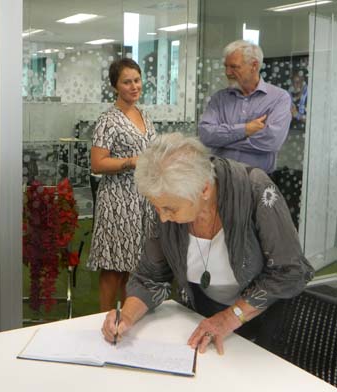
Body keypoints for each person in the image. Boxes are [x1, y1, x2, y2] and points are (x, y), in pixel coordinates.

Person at [101, 132, 313, 355]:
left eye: (170, 209)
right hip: (203, 324)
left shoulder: (255, 190)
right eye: (157, 208)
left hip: (265, 331)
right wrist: (126, 315)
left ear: (204, 189)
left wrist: (231, 317)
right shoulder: (169, 199)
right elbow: (150, 277)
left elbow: (290, 271)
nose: (162, 218)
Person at [87, 58, 156, 311]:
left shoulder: (144, 115)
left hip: (142, 199)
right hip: (117, 200)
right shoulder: (108, 120)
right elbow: (97, 164)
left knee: (135, 265)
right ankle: (102, 320)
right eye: (127, 82)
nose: (134, 86)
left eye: (137, 80)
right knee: (113, 265)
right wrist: (130, 162)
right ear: (115, 86)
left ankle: (125, 320)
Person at [198, 40, 292, 174]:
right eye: (226, 66)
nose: (227, 72)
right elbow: (205, 135)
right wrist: (246, 129)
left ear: (254, 66)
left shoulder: (279, 98)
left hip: (257, 182)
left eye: (234, 67)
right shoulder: (219, 98)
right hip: (220, 178)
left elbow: (271, 141)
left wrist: (223, 140)